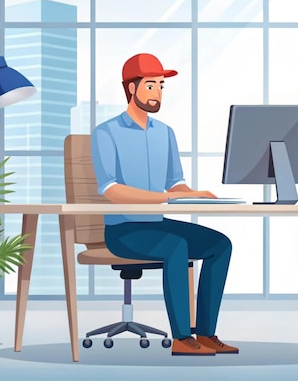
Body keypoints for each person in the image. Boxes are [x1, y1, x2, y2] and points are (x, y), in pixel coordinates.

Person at [90, 53, 238, 356]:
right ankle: (182, 338)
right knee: (175, 247)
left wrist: (193, 193)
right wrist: (166, 197)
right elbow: (111, 190)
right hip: (123, 230)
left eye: (161, 86)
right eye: (150, 86)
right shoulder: (106, 133)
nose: (157, 93)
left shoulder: (165, 133)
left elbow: (174, 184)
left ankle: (206, 333)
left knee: (220, 244)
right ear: (131, 89)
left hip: (156, 223)